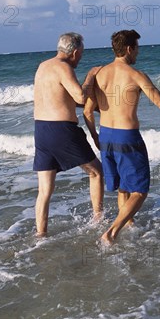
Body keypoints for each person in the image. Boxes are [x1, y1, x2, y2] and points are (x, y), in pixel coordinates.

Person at [83, 29, 160, 245]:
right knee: (140, 190)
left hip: (106, 136)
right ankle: (112, 232)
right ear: (129, 49)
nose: (138, 53)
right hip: (127, 138)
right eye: (137, 48)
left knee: (124, 187)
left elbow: (87, 111)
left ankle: (129, 224)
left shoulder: (99, 75)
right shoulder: (136, 75)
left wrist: (95, 136)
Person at [32, 32, 104, 237]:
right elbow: (80, 95)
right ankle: (98, 219)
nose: (80, 58)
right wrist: (91, 75)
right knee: (96, 172)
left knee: (45, 189)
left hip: (41, 130)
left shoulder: (43, 66)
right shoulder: (64, 67)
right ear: (74, 52)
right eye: (80, 54)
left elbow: (59, 97)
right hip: (62, 130)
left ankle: (40, 234)